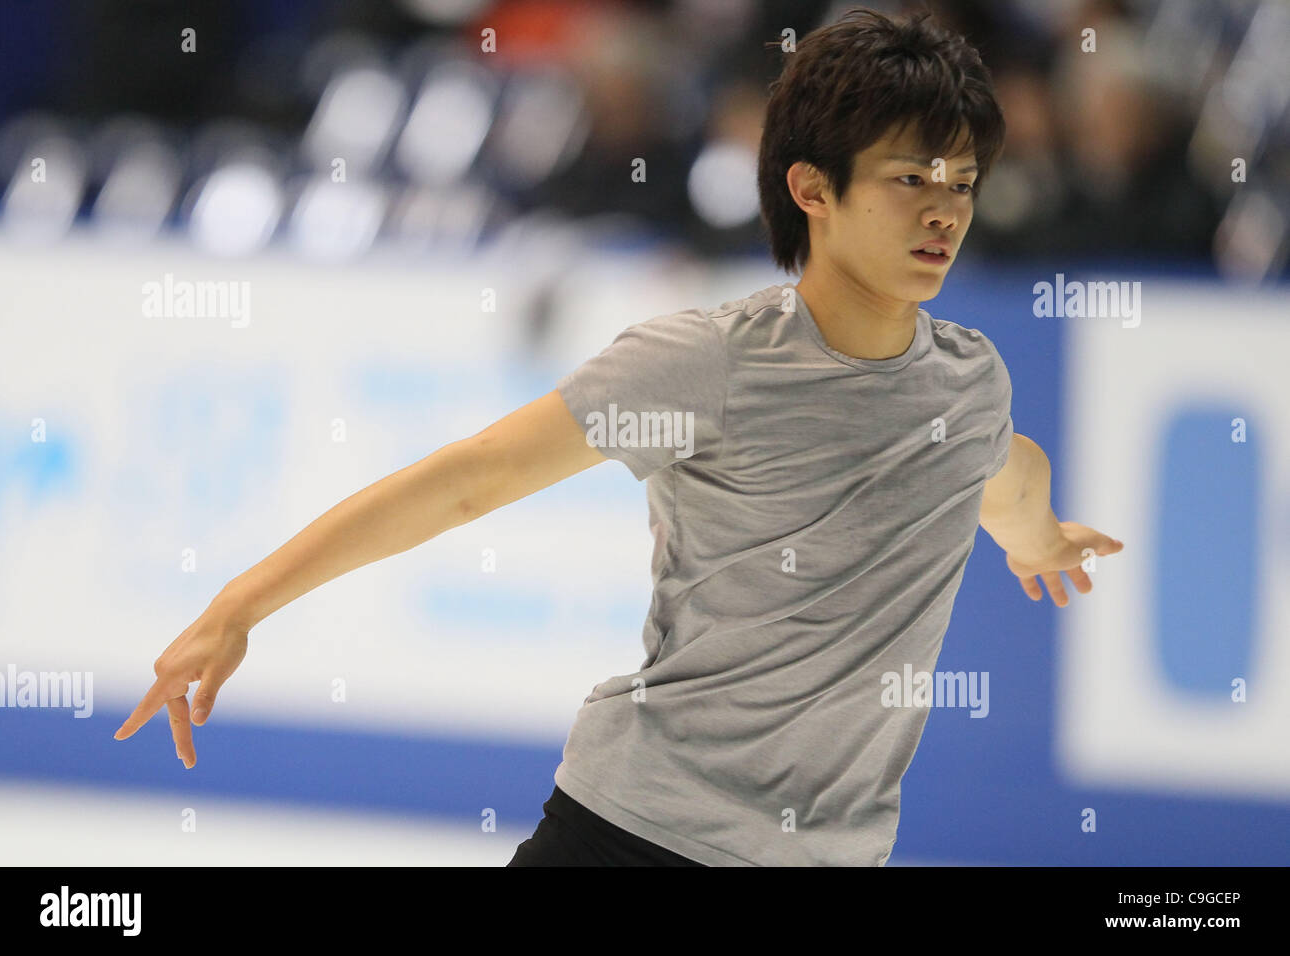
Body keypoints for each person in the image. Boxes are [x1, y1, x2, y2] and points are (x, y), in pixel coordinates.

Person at [114, 7, 1123, 866]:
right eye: (911, 179)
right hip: (634, 834)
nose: (944, 210)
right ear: (813, 188)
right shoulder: (705, 362)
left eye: (961, 182)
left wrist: (1033, 536)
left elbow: (1000, 468)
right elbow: (471, 478)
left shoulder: (967, 380)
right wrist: (241, 601)